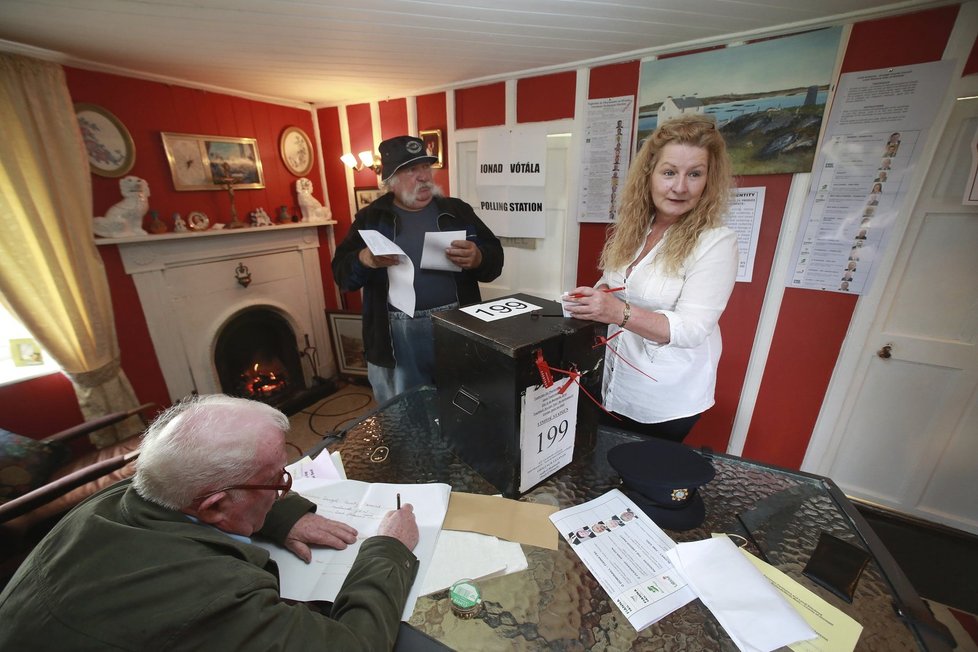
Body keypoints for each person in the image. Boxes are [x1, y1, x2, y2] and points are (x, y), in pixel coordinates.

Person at [0, 394, 420, 650]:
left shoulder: (126, 496)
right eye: (277, 479)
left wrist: (283, 517)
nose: (285, 489)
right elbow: (353, 647)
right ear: (216, 505)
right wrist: (390, 549)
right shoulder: (211, 598)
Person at [565, 114, 738, 442]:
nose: (680, 187)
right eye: (670, 172)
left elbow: (692, 329)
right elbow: (617, 281)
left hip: (666, 398)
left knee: (639, 479)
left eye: (695, 174)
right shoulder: (635, 227)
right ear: (650, 174)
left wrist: (616, 312)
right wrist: (597, 295)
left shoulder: (716, 242)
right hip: (614, 379)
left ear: (708, 181)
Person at [332, 135, 503, 403]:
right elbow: (341, 274)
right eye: (412, 170)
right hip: (396, 336)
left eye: (426, 167)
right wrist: (364, 258)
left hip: (456, 325)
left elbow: (495, 257)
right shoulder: (370, 219)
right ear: (391, 180)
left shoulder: (457, 210)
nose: (424, 177)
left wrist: (479, 257)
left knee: (461, 404)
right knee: (405, 416)